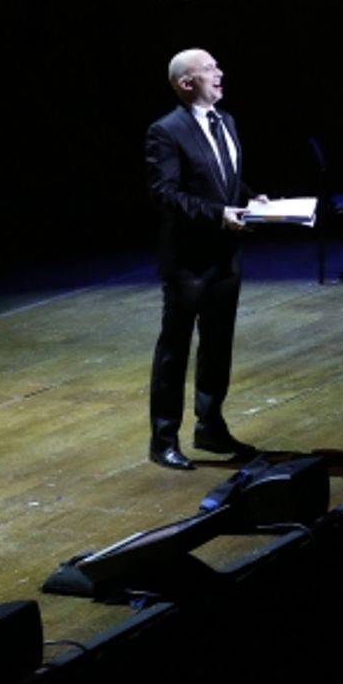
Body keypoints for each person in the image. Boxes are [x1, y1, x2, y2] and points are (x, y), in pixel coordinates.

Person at [145, 47, 266, 470]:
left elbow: (222, 178)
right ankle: (163, 440)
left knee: (217, 345)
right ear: (185, 82)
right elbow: (166, 194)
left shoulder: (225, 120)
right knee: (175, 349)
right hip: (188, 261)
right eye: (209, 68)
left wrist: (252, 198)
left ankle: (210, 428)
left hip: (225, 255)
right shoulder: (166, 131)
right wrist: (219, 214)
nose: (219, 73)